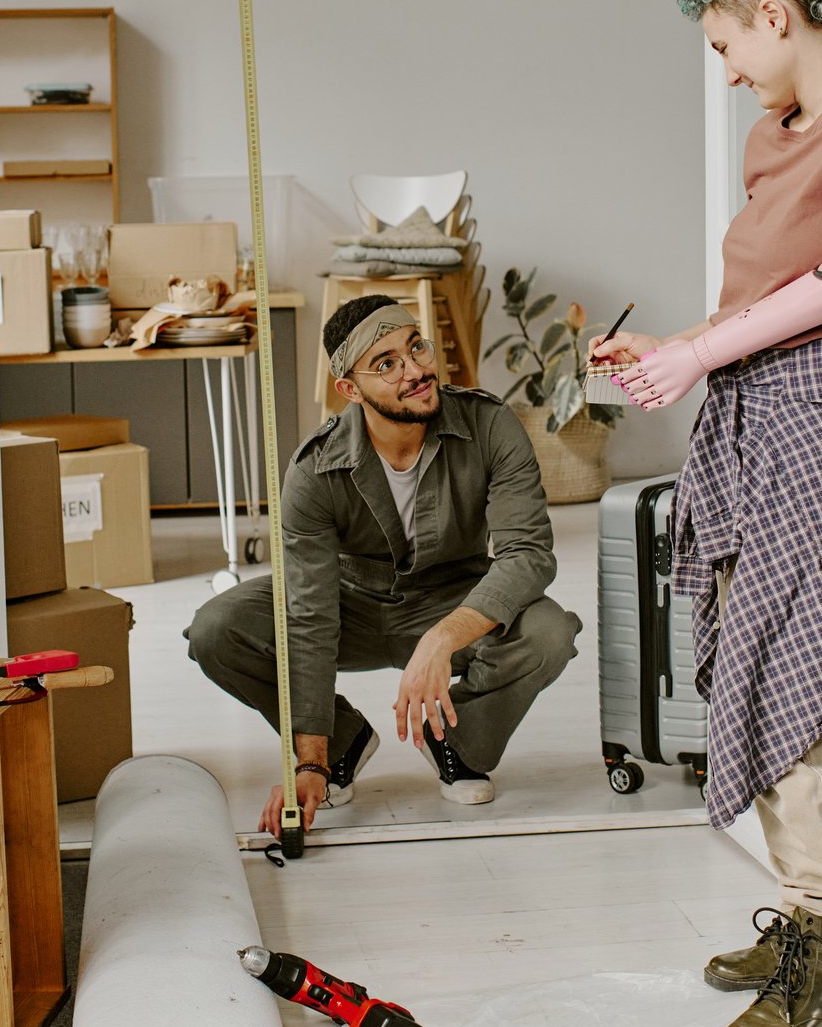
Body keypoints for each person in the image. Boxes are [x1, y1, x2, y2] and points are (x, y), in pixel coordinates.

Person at [589, 0, 822, 1027]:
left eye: (728, 43)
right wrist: (672, 351)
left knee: (790, 668)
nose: (727, 69)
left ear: (776, 16)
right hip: (758, 416)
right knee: (760, 657)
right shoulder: (768, 135)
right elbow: (767, 297)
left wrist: (695, 359)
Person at [187, 296, 580, 836]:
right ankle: (342, 741)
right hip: (351, 606)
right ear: (351, 390)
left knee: (548, 630)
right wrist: (308, 760)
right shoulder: (314, 470)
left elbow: (528, 553)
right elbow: (309, 615)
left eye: (415, 347)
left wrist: (444, 637)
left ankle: (457, 742)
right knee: (217, 629)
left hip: (452, 600)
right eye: (387, 363)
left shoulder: (491, 426)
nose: (415, 370)